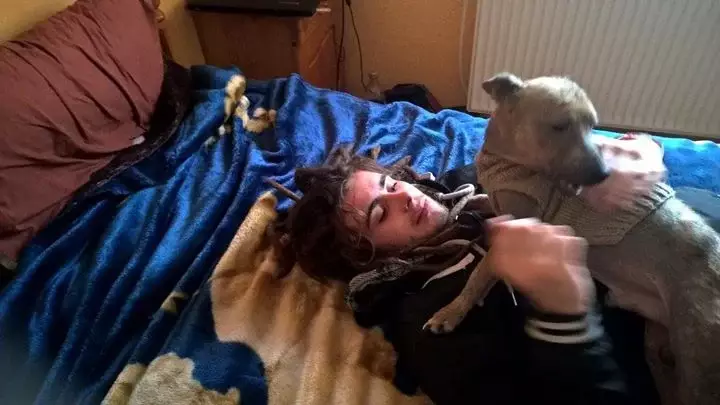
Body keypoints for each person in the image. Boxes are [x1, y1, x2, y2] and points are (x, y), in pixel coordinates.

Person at [270, 134, 667, 405]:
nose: (403, 197)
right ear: (371, 260)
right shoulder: (434, 331)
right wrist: (565, 316)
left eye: (390, 184)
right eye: (380, 214)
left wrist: (641, 150)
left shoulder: (465, 182)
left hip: (666, 226)